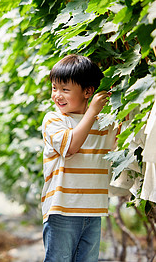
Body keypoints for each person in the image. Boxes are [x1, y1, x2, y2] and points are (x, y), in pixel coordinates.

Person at [41, 54, 116, 262]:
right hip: (62, 210)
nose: (57, 95)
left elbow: (121, 135)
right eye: (54, 88)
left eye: (65, 89)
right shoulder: (54, 120)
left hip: (93, 210)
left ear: (88, 91)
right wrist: (93, 110)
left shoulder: (104, 122)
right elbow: (71, 146)